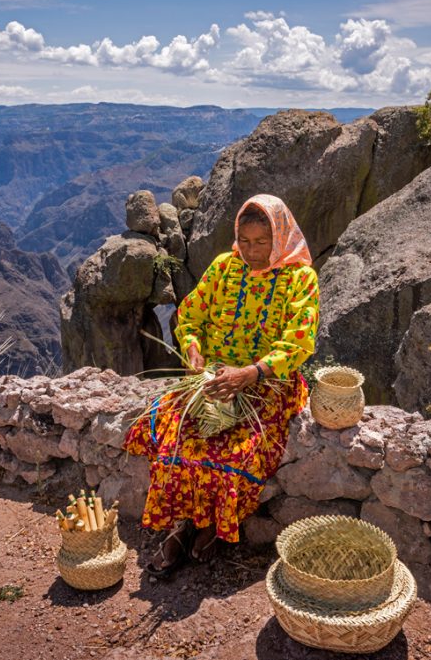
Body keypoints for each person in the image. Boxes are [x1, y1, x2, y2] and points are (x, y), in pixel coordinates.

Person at [123, 193, 319, 578]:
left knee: (235, 451)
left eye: (261, 242)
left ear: (280, 236)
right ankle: (183, 525)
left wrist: (250, 373)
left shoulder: (300, 278)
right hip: (212, 380)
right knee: (173, 433)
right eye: (244, 241)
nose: (251, 251)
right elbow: (188, 316)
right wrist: (193, 352)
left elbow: (299, 341)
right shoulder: (223, 268)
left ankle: (213, 525)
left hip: (268, 384)